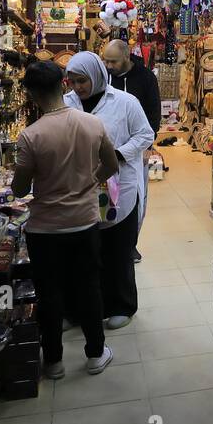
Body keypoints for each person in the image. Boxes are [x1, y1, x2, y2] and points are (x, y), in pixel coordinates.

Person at [11, 60, 119, 379]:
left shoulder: (30, 136)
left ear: (31, 94)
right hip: (84, 221)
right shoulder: (92, 124)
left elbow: (18, 188)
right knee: (89, 287)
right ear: (64, 84)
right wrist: (87, 182)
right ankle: (96, 354)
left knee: (50, 293)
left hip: (44, 227)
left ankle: (54, 361)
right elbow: (111, 165)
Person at [64, 52, 153, 330]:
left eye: (83, 81)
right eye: (73, 81)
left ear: (97, 76)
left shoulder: (125, 102)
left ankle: (122, 304)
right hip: (80, 186)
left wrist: (118, 153)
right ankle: (83, 308)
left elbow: (145, 134)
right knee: (84, 252)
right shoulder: (66, 104)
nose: (78, 87)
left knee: (118, 248)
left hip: (119, 186)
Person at [102, 39, 160, 263]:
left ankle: (130, 243)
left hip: (137, 147)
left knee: (137, 198)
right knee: (105, 196)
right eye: (105, 60)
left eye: (113, 61)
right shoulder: (103, 77)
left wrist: (148, 145)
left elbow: (154, 113)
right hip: (107, 148)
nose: (108, 65)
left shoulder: (146, 78)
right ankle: (110, 241)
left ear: (126, 56)